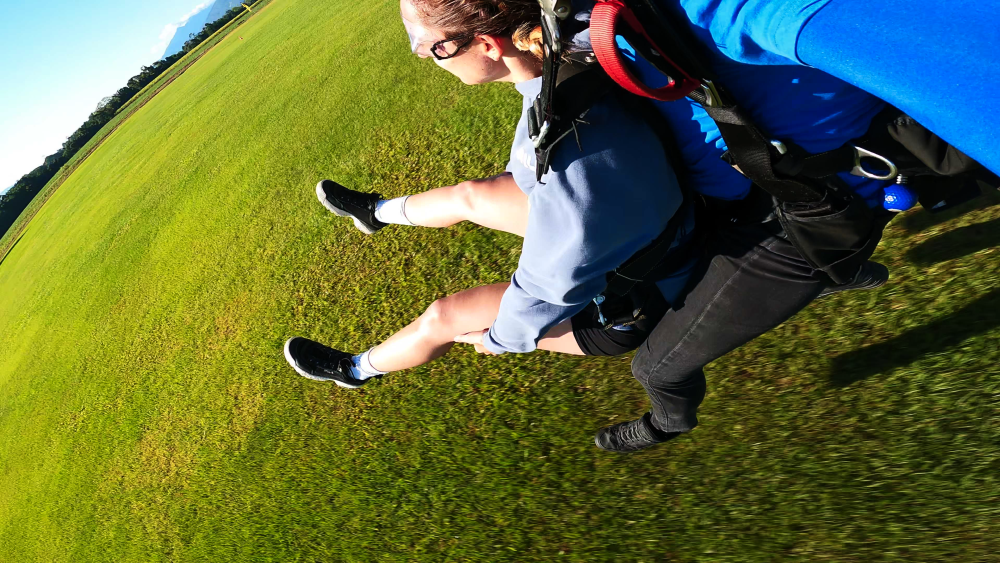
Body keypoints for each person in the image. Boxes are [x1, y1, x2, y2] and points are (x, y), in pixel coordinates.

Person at [283, 0, 706, 452]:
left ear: (486, 44)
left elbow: (550, 288)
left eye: (434, 49)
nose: (424, 57)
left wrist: (500, 340)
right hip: (636, 214)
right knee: (472, 195)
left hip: (629, 299)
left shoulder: (566, 170)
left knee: (445, 317)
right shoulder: (568, 55)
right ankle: (375, 212)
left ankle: (355, 370)